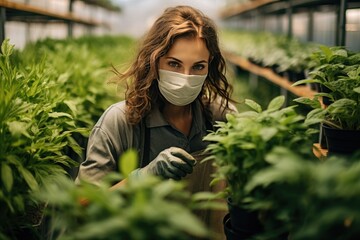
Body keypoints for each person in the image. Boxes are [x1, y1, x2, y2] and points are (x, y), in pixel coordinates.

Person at [76, 5, 237, 187]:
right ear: (153, 61)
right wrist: (141, 178)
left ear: (210, 66)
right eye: (174, 64)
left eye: (198, 66)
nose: (185, 77)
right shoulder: (120, 122)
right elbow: (83, 205)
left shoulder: (219, 117)